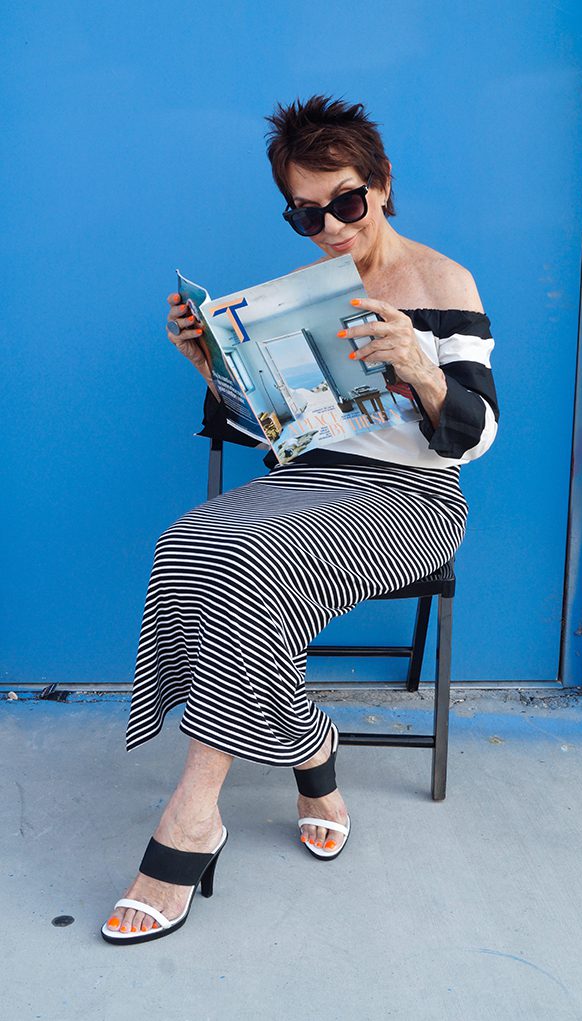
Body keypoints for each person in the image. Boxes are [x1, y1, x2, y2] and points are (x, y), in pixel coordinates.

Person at [101, 94, 499, 944]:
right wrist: (210, 364)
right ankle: (311, 749)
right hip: (309, 480)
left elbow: (479, 432)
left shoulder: (443, 284)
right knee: (190, 540)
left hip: (411, 496)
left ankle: (193, 815)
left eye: (346, 203)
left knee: (251, 566)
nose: (331, 228)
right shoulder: (296, 294)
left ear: (383, 186)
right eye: (306, 213)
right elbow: (274, 423)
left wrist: (422, 372)